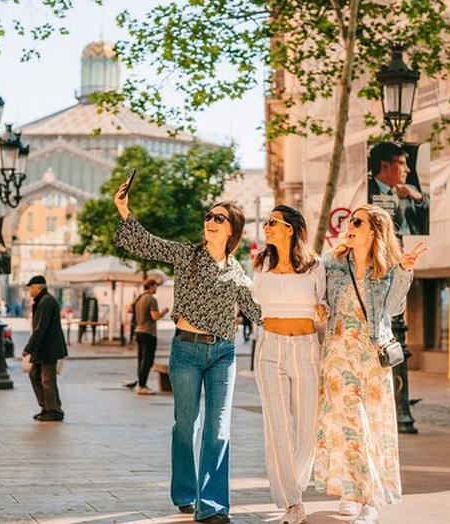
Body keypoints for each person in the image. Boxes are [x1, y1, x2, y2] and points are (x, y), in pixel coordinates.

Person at [114, 185, 261, 524]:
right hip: (186, 351)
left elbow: (258, 312)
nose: (210, 220)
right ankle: (184, 491)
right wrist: (124, 210)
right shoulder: (187, 255)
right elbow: (147, 243)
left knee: (219, 428)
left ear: (232, 229)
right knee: (186, 425)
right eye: (209, 216)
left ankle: (210, 504)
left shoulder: (238, 272)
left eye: (219, 218)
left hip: (223, 353)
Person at [313, 204, 427, 524]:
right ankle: (352, 492)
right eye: (350, 221)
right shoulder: (333, 263)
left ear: (374, 231)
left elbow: (392, 309)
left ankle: (370, 499)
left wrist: (404, 271)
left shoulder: (387, 267)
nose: (350, 226)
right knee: (348, 426)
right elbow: (321, 297)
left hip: (372, 356)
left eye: (358, 222)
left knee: (370, 426)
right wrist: (320, 308)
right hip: (338, 355)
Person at [250, 205, 327, 524]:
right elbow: (254, 304)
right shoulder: (260, 263)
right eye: (266, 222)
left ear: (290, 228)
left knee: (308, 428)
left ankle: (294, 485)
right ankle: (292, 501)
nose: (265, 226)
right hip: (270, 347)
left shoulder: (314, 265)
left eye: (272, 222)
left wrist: (322, 310)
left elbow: (322, 304)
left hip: (307, 348)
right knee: (278, 427)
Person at [22, 275, 68, 422]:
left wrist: (28, 348)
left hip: (48, 347)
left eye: (31, 287)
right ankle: (47, 406)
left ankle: (53, 410)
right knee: (34, 375)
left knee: (47, 379)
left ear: (38, 287)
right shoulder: (43, 300)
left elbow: (40, 328)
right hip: (44, 347)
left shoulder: (45, 302)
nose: (30, 290)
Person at [367, 141, 428, 236]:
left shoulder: (411, 190)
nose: (407, 170)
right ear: (385, 166)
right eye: (402, 163)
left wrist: (419, 198)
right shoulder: (366, 193)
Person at [123, 279, 170, 394]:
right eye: (155, 286)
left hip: (138, 331)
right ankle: (142, 386)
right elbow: (154, 316)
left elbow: (129, 309)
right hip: (148, 332)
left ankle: (140, 383)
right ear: (151, 286)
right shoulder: (151, 299)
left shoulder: (139, 298)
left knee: (141, 359)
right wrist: (164, 312)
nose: (156, 288)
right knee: (148, 360)